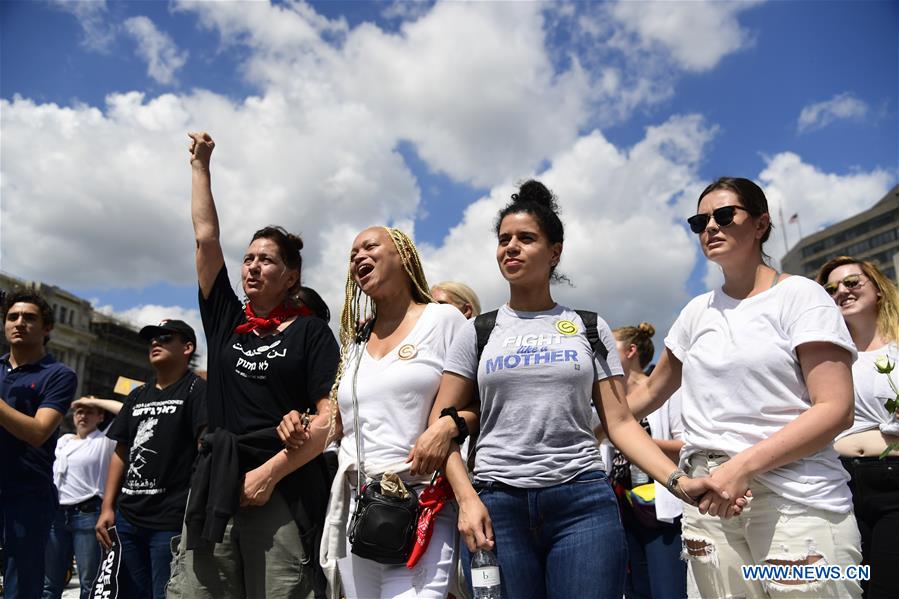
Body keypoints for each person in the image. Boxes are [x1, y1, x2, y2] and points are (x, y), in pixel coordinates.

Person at [408, 180, 729, 599]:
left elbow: (620, 423)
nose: (511, 248)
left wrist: (677, 482)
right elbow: (441, 423)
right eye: (504, 240)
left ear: (555, 251)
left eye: (526, 239)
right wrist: (466, 499)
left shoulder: (589, 327)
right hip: (496, 505)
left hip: (582, 505)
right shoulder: (477, 332)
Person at [629, 177, 862, 598]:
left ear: (760, 224)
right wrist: (578, 416)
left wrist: (741, 468)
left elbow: (835, 408)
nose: (710, 227)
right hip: (706, 501)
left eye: (723, 215)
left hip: (793, 497)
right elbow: (644, 397)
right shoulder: (695, 313)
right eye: (700, 220)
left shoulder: (802, 297)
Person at [167, 131, 340, 599]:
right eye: (248, 259)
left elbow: (330, 419)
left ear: (291, 275)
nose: (252, 267)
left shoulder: (312, 333)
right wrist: (200, 167)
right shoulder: (226, 318)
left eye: (266, 260)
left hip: (280, 488)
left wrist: (270, 473)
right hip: (215, 485)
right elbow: (206, 238)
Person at [284, 226, 467, 598]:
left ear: (404, 256)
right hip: (360, 509)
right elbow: (335, 423)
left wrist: (449, 425)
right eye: (352, 254)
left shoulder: (444, 321)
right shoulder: (356, 339)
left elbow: (477, 403)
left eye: (369, 246)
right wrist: (300, 426)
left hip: (422, 504)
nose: (357, 257)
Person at [95, 319, 206, 599]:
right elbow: (121, 452)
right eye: (152, 339)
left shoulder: (196, 390)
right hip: (128, 517)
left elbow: (205, 449)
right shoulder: (136, 396)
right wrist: (108, 506)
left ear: (187, 347)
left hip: (170, 520)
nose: (156, 343)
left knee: (165, 593)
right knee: (129, 593)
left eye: (166, 338)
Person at [817, 256, 899, 598]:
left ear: (878, 289)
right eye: (832, 288)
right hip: (841, 484)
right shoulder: (826, 355)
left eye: (852, 282)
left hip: (893, 481)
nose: (842, 292)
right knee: (850, 589)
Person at [1, 289, 77, 599]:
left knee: (22, 587)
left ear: (47, 328)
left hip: (27, 495)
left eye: (29, 318)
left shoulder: (58, 375)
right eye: (12, 317)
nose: (19, 323)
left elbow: (37, 432)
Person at [605, 323, 687, 599]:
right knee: (635, 591)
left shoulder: (666, 393)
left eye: (609, 347)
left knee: (667, 590)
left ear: (631, 351)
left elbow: (686, 447)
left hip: (660, 512)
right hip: (621, 510)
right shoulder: (608, 398)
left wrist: (632, 440)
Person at [42, 401, 117, 599]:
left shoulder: (103, 441)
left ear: (100, 417)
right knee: (50, 582)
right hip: (57, 514)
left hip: (87, 513)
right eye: (79, 412)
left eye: (89, 412)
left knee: (89, 581)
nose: (82, 416)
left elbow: (125, 411)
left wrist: (94, 400)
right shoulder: (63, 442)